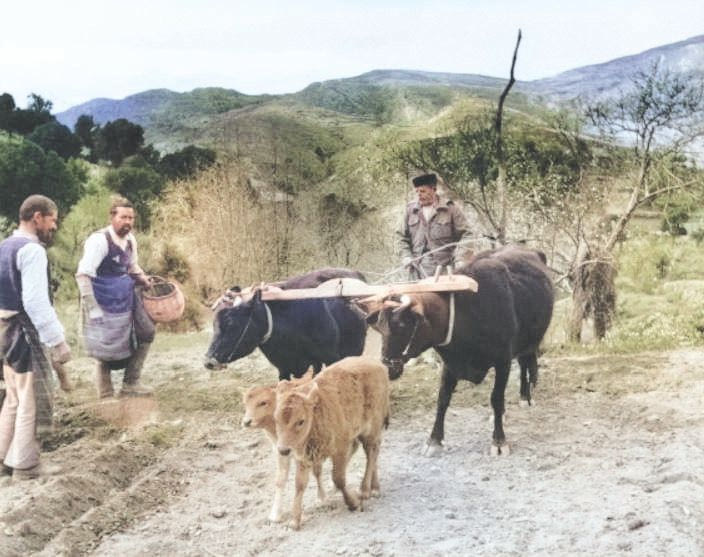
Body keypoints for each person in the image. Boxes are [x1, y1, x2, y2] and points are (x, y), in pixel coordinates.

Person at [0, 194, 71, 480]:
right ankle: (25, 466)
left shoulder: (4, 245)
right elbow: (36, 302)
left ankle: (3, 457)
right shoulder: (32, 251)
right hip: (24, 333)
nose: (54, 227)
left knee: (14, 398)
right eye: (52, 220)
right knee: (31, 399)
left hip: (4, 330)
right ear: (38, 217)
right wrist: (58, 341)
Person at [76, 196, 155, 398]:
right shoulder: (99, 240)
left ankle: (131, 383)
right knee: (104, 346)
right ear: (112, 217)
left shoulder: (130, 240)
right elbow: (83, 274)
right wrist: (92, 307)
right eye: (123, 217)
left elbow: (131, 266)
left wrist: (144, 279)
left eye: (131, 218)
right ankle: (105, 393)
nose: (128, 222)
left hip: (125, 297)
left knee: (146, 332)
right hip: (100, 300)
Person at [397, 173, 472, 279]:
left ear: (434, 189)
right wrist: (406, 256)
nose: (419, 195)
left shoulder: (450, 209)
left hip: (444, 271)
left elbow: (468, 234)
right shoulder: (410, 211)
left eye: (422, 191)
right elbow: (401, 237)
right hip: (416, 270)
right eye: (416, 191)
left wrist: (461, 258)